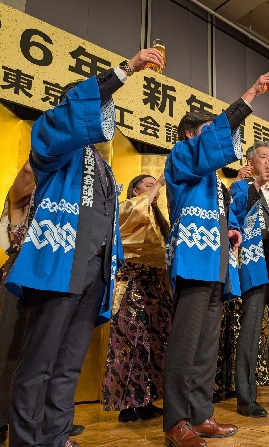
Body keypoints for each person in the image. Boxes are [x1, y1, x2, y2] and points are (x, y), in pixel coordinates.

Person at [5, 48, 163, 447]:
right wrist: (126, 70)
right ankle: (25, 440)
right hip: (59, 265)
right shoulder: (52, 142)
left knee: (68, 364)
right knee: (38, 363)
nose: (105, 114)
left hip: (94, 270)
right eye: (99, 104)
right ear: (75, 109)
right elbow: (71, 115)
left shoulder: (103, 165)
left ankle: (56, 437)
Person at [162, 72, 269, 446]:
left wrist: (231, 231)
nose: (219, 140)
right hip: (193, 261)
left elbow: (225, 216)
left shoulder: (214, 182)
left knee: (207, 346)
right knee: (186, 343)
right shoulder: (180, 157)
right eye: (209, 133)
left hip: (217, 264)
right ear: (190, 135)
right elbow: (212, 143)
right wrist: (250, 95)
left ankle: (200, 414)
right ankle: (176, 421)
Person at [229, 141, 269, 418]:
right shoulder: (240, 187)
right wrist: (256, 184)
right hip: (255, 264)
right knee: (251, 329)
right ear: (251, 162)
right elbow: (235, 213)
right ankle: (246, 397)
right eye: (263, 157)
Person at [103, 174, 172, 422]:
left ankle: (146, 400)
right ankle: (125, 405)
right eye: (148, 185)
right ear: (135, 190)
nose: (155, 189)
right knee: (129, 345)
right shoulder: (127, 208)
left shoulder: (159, 219)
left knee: (153, 346)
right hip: (132, 287)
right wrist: (161, 182)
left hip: (155, 288)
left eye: (155, 186)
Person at [0, 163, 35, 445]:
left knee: (42, 351)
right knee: (11, 347)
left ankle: (39, 417)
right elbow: (27, 170)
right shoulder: (22, 191)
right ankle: (2, 419)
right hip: (20, 269)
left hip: (49, 273)